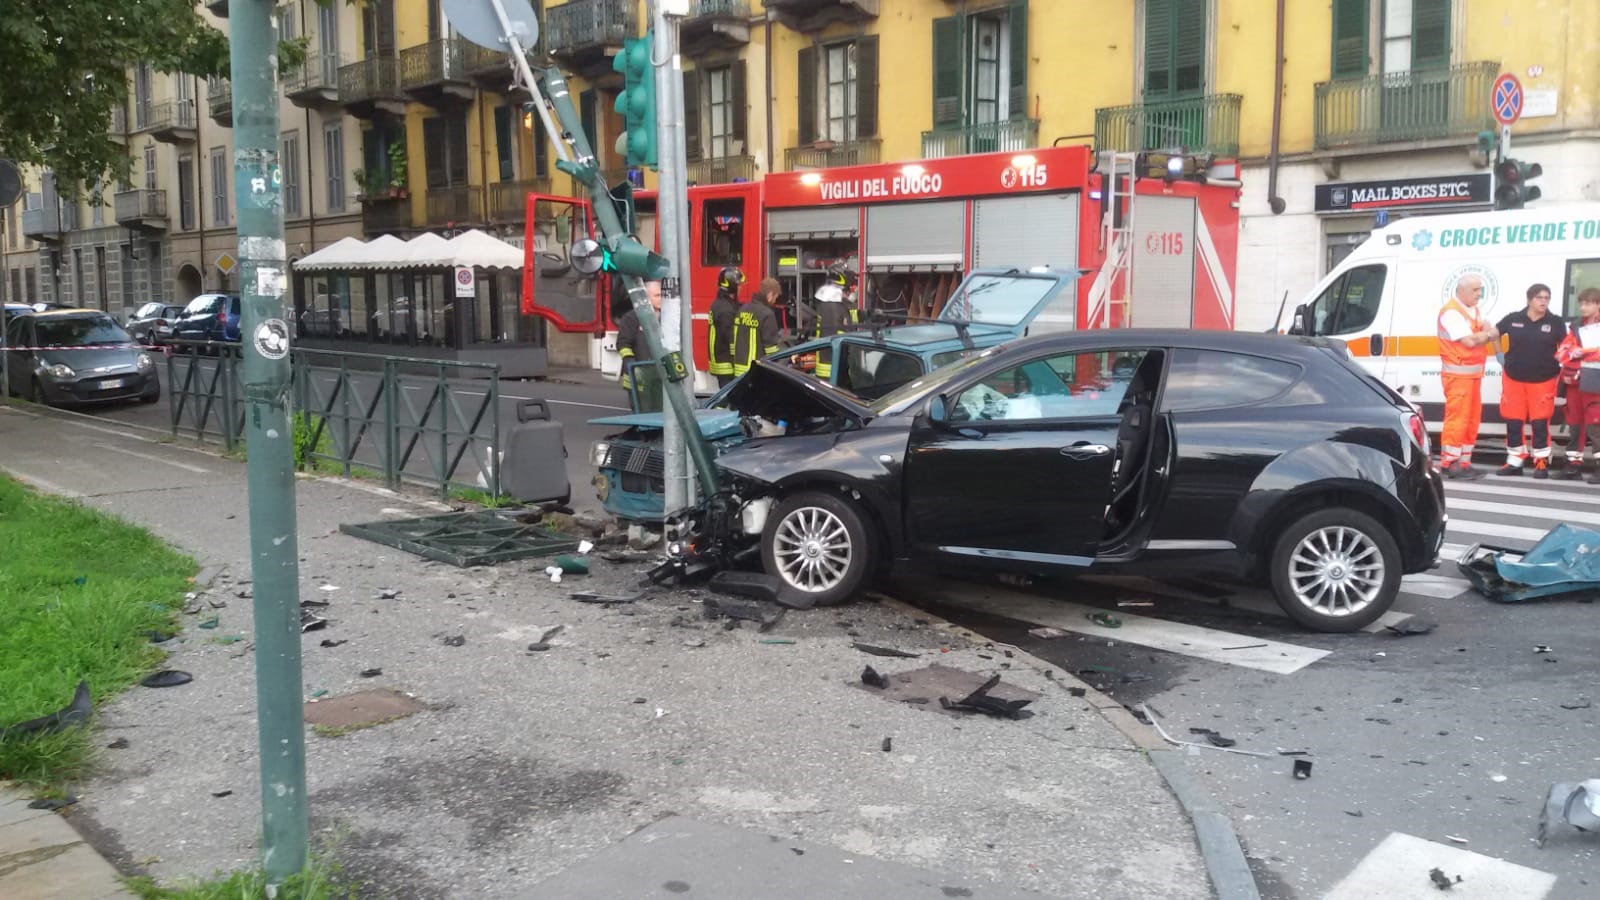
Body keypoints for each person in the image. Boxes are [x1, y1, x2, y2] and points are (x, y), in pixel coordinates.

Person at [1495, 283, 1567, 478]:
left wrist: (1561, 364)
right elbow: (1494, 333)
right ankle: (1515, 462)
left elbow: (1566, 346)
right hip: (1513, 378)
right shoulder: (1513, 319)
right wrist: (1499, 353)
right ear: (1529, 300)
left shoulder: (1555, 322)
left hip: (1543, 380)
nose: (1544, 301)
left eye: (1547, 298)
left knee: (1540, 423)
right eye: (1539, 298)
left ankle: (1540, 462)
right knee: (1513, 421)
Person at [1436, 274, 1498, 479]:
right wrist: (1486, 335)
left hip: (1472, 375)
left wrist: (1483, 335)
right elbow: (1470, 342)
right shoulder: (1451, 312)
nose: (1479, 294)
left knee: (1471, 420)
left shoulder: (1474, 310)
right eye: (1475, 290)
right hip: (1457, 376)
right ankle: (1450, 463)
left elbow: (1491, 332)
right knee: (1457, 419)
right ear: (1461, 290)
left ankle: (1463, 462)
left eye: (1480, 289)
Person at [1556, 287, 1600, 482]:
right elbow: (1564, 351)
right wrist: (1577, 352)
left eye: (1588, 304)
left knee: (1595, 425)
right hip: (1575, 381)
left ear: (1598, 305)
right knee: (1575, 424)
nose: (1583, 307)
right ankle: (1573, 465)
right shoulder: (1575, 325)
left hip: (1595, 381)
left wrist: (1584, 352)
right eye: (1581, 303)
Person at [812, 270, 862, 380]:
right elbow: (836, 338)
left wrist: (866, 315)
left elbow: (849, 320)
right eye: (849, 289)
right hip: (831, 371)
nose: (851, 292)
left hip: (836, 369)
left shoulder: (838, 306)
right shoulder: (831, 308)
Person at [615, 280, 661, 392]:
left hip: (659, 376)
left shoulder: (667, 317)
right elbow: (623, 344)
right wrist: (633, 365)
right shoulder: (631, 318)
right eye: (657, 296)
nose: (661, 299)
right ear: (646, 298)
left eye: (662, 295)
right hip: (637, 376)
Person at [731, 277, 783, 377]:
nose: (775, 301)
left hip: (738, 371)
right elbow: (771, 350)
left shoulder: (742, 309)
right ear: (770, 295)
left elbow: (733, 341)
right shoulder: (767, 314)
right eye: (775, 297)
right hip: (755, 372)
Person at [708, 267, 744, 387]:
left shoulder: (722, 304)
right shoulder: (725, 310)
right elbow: (730, 338)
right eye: (739, 285)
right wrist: (739, 359)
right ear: (732, 286)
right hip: (726, 364)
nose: (741, 287)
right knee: (729, 396)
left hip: (723, 361)